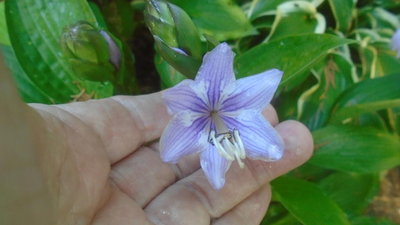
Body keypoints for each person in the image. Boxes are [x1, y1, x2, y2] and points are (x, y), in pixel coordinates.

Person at [0, 56, 313, 225]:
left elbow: (229, 64)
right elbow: (173, 145)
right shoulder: (187, 110)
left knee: (274, 148)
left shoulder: (231, 100)